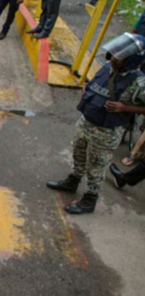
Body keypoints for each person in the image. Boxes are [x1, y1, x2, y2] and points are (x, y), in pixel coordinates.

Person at [47, 33, 145, 214]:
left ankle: (90, 199)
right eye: (114, 54)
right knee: (79, 153)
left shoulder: (139, 82)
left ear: (132, 60)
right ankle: (73, 180)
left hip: (106, 132)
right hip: (87, 122)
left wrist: (125, 107)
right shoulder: (108, 68)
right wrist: (88, 88)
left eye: (119, 56)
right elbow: (95, 82)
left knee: (96, 165)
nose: (114, 58)